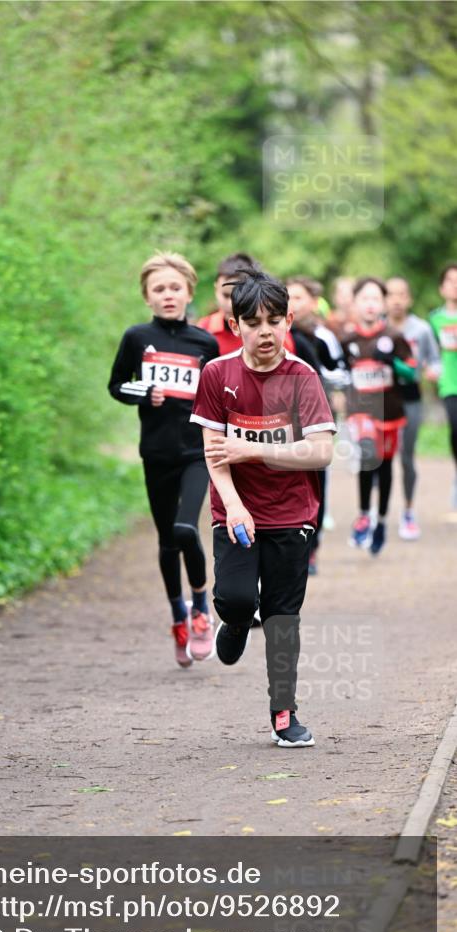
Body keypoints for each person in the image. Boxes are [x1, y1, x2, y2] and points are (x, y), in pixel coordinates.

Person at [191, 266, 335, 747]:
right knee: (236, 598)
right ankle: (232, 623)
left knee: (281, 616)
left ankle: (283, 713)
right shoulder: (217, 374)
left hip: (292, 513)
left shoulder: (303, 378)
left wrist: (253, 450)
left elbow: (321, 452)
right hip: (235, 509)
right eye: (253, 323)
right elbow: (215, 454)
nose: (265, 332)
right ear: (236, 327)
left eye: (274, 321)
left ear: (288, 321)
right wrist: (233, 506)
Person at [108, 251, 219, 667]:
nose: (168, 295)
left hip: (195, 452)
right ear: (147, 297)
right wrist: (143, 392)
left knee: (186, 528)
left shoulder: (204, 343)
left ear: (190, 293)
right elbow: (117, 385)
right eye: (159, 289)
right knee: (166, 540)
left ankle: (201, 610)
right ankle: (177, 618)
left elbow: (216, 396)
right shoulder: (137, 338)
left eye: (175, 288)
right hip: (156, 452)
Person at [342, 278, 416, 555]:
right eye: (365, 299)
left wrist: (393, 364)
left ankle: (381, 521)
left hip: (389, 411)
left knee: (384, 466)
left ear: (383, 304)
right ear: (355, 303)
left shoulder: (394, 336)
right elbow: (340, 374)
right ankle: (363, 515)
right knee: (366, 453)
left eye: (376, 299)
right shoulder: (348, 340)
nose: (370, 304)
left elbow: (411, 373)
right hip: (361, 411)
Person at [286, 276, 350, 574]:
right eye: (289, 297)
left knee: (315, 480)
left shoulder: (322, 337)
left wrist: (317, 376)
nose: (293, 303)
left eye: (299, 297)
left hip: (317, 417)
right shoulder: (276, 332)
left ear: (314, 303)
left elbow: (343, 374)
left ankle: (312, 548)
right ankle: (289, 543)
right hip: (283, 418)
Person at [385, 276, 441, 538]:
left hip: (410, 398)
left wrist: (433, 370)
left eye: (401, 294)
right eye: (391, 294)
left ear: (409, 299)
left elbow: (434, 360)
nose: (396, 300)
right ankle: (376, 513)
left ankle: (408, 512)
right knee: (376, 458)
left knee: (407, 456)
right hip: (381, 400)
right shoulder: (378, 329)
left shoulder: (421, 329)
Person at [197, 253, 295, 356]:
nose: (231, 304)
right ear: (216, 288)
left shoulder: (278, 336)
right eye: (226, 295)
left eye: (239, 297)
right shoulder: (204, 329)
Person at [428, 263, 457, 508]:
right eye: (451, 280)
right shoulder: (434, 319)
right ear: (442, 287)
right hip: (450, 384)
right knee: (456, 432)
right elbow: (429, 352)